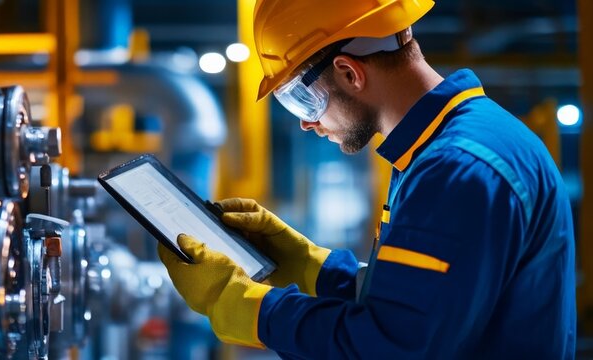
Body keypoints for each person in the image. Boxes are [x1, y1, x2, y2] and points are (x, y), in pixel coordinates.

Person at [156, 0, 577, 358]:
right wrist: (308, 265)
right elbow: (424, 302)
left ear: (349, 73)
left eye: (301, 99)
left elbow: (391, 346)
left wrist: (240, 304)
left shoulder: (456, 168)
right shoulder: (448, 148)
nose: (307, 124)